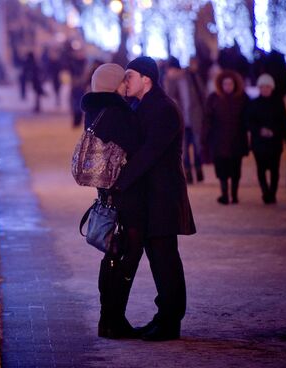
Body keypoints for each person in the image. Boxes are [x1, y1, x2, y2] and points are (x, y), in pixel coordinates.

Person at [114, 56, 196, 341]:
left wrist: (120, 181)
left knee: (165, 260)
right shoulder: (142, 106)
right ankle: (164, 317)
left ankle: (170, 322)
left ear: (146, 79)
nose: (125, 82)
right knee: (158, 259)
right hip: (150, 196)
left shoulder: (162, 109)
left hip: (163, 196)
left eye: (129, 76)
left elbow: (149, 153)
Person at [80, 63, 145, 340]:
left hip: (105, 194)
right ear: (112, 84)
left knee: (112, 254)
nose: (125, 86)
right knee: (127, 255)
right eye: (122, 81)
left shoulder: (94, 111)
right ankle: (114, 319)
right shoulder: (118, 112)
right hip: (126, 195)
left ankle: (107, 319)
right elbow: (137, 146)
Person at [202, 69, 249, 205]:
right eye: (225, 84)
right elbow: (207, 119)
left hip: (236, 141)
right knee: (222, 171)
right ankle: (224, 195)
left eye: (230, 84)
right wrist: (205, 138)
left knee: (235, 170)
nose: (228, 86)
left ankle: (234, 195)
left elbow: (247, 119)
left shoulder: (242, 98)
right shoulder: (214, 99)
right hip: (219, 142)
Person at [245, 73, 286, 204]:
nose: (265, 89)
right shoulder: (254, 104)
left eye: (267, 86)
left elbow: (284, 121)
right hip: (259, 143)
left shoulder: (278, 103)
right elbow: (249, 122)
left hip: (275, 142)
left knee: (274, 169)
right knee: (261, 169)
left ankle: (272, 193)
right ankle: (265, 191)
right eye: (262, 86)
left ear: (272, 87)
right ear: (259, 88)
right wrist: (260, 130)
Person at [164, 56, 206, 183]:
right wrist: (170, 80)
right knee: (184, 149)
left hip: (195, 118)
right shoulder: (171, 81)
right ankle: (188, 174)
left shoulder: (191, 76)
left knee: (198, 146)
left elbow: (202, 93)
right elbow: (169, 96)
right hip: (181, 121)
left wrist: (204, 115)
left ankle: (199, 168)